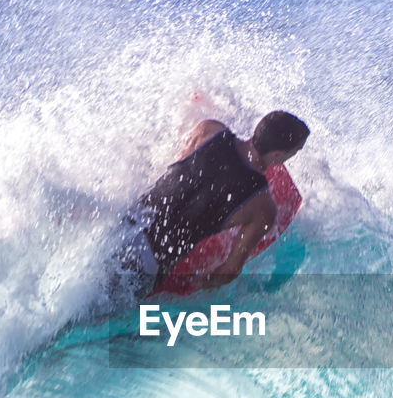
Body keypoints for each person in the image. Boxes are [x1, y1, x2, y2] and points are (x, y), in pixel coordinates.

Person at [118, 110, 309, 298]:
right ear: (277, 155)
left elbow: (175, 166)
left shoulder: (210, 130)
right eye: (295, 152)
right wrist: (195, 285)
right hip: (149, 262)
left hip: (126, 226)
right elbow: (228, 271)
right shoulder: (262, 207)